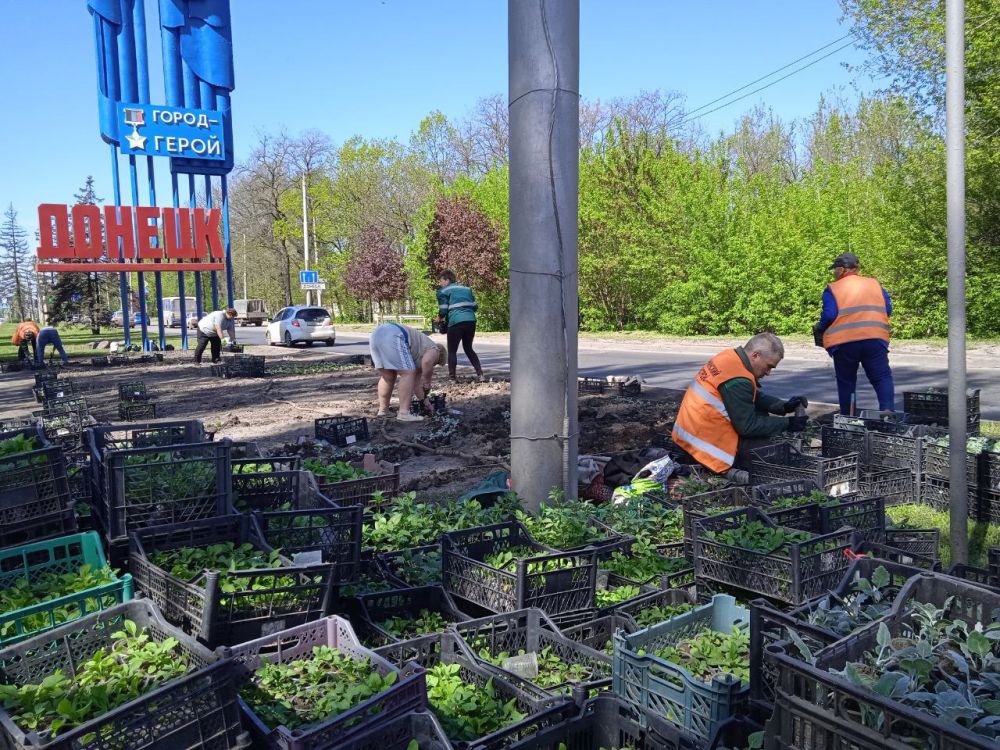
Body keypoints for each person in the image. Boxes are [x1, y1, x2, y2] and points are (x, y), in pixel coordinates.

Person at [672, 333, 808, 481]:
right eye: (769, 366)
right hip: (706, 447)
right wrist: (788, 424)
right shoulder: (738, 379)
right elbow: (747, 426)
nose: (768, 373)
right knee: (770, 453)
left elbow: (751, 396)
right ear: (756, 355)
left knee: (761, 418)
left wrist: (784, 406)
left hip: (689, 434)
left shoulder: (729, 358)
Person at [814, 252, 894, 415]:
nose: (834, 273)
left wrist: (820, 328)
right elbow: (888, 309)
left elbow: (829, 314)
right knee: (881, 377)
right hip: (874, 339)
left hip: (845, 343)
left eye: (835, 269)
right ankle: (887, 412)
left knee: (847, 382)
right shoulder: (874, 284)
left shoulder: (833, 289)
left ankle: (849, 417)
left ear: (842, 269)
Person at [369, 322, 447, 422]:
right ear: (439, 357)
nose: (433, 365)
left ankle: (383, 410)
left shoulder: (419, 350)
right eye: (435, 364)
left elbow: (416, 384)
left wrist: (425, 401)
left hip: (377, 334)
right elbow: (427, 362)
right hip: (394, 334)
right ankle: (403, 413)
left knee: (388, 376)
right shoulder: (435, 349)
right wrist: (427, 381)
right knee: (408, 372)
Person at [435, 270, 483, 380]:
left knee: (452, 351)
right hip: (471, 321)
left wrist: (438, 318)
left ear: (447, 280)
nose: (441, 283)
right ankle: (480, 374)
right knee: (468, 348)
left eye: (441, 281)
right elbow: (475, 307)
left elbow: (443, 310)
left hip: (456, 322)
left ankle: (452, 378)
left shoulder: (443, 291)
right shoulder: (467, 289)